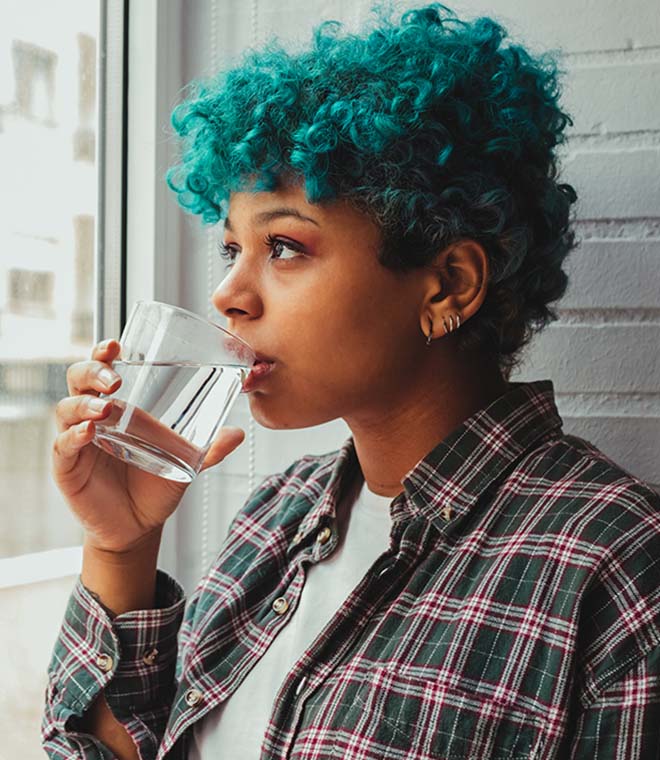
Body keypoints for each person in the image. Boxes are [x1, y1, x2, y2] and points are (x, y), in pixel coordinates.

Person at [43, 4, 660, 759]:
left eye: (285, 246)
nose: (228, 295)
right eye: (232, 246)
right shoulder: (276, 517)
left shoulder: (618, 567)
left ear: (448, 287)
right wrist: (121, 546)